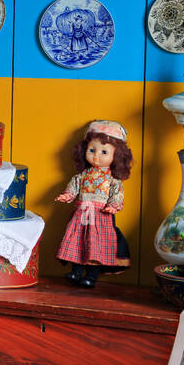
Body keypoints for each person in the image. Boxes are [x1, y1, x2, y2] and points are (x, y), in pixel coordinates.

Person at [55, 120, 132, 288]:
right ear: (84, 150)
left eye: (104, 152)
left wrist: (114, 205)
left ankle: (91, 275)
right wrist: (67, 195)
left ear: (116, 156)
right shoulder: (82, 176)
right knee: (77, 242)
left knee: (96, 246)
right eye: (92, 150)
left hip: (101, 217)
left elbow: (117, 194)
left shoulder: (112, 180)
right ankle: (76, 271)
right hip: (81, 215)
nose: (96, 156)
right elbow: (74, 187)